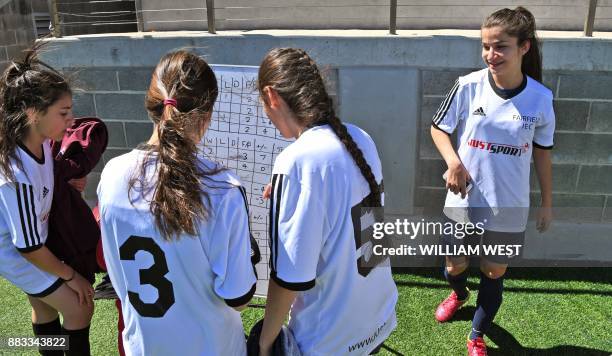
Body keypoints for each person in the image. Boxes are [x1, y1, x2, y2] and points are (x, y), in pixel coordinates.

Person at [97, 50, 257, 356]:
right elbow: (238, 296)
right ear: (207, 116)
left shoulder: (112, 174)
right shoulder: (222, 189)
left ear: (152, 106)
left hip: (144, 347)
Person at [255, 48, 398, 355]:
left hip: (330, 340)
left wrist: (265, 343)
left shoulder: (295, 163)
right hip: (377, 321)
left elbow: (290, 279)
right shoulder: (360, 137)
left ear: (271, 97)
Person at [430, 7, 554, 355]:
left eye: (500, 47)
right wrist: (453, 162)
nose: (490, 55)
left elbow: (543, 154)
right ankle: (458, 293)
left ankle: (476, 335)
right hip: (464, 199)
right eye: (486, 46)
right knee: (455, 265)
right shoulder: (467, 86)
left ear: (524, 47)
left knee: (494, 270)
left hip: (508, 205)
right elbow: (438, 128)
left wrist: (547, 202)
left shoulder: (541, 100)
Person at [0, 44, 94, 355]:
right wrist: (71, 276)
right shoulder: (17, 174)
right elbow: (27, 246)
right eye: (63, 113)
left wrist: (69, 183)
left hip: (33, 247)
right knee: (80, 307)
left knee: (46, 310)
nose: (72, 120)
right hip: (18, 254)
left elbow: (48, 182)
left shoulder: (40, 145)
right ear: (32, 113)